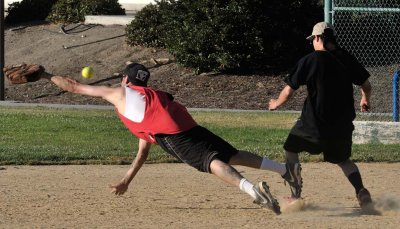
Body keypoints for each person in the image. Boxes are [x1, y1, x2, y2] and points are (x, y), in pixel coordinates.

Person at [41, 63, 300, 215]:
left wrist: (44, 75)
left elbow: (74, 86)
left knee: (211, 162)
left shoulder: (120, 93)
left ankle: (253, 191)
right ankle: (284, 169)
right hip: (187, 126)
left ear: (125, 80)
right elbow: (143, 149)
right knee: (231, 154)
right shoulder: (152, 96)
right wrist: (126, 180)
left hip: (172, 135)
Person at [268, 22, 373, 209]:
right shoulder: (346, 58)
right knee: (343, 160)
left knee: (290, 149)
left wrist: (276, 103)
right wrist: (365, 99)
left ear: (318, 38)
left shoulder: (310, 60)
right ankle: (361, 191)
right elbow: (366, 85)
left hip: (313, 124)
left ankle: (296, 195)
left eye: (313, 40)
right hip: (341, 125)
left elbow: (288, 91)